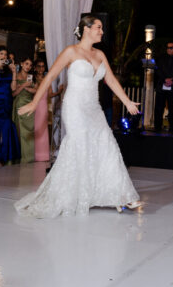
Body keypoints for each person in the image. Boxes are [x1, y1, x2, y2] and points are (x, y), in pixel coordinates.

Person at [15, 15, 142, 218]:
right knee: (80, 146)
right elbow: (50, 77)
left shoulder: (100, 54)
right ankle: (77, 195)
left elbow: (110, 79)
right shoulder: (70, 52)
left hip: (94, 107)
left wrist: (127, 101)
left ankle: (119, 195)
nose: (102, 31)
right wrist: (34, 102)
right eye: (98, 27)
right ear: (86, 29)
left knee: (107, 144)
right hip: (74, 107)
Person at [32, 59, 64, 162]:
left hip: (44, 106)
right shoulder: (32, 78)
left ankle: (44, 154)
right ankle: (35, 154)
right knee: (36, 128)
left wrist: (59, 92)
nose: (41, 68)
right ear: (35, 68)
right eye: (39, 66)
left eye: (43, 66)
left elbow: (50, 94)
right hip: (35, 105)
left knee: (44, 129)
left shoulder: (47, 79)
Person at [154, 40, 173, 132]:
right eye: (167, 47)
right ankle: (157, 127)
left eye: (171, 48)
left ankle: (172, 127)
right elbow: (158, 70)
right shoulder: (161, 58)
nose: (169, 49)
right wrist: (165, 79)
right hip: (162, 86)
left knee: (172, 108)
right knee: (159, 108)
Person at [13, 57, 37, 164]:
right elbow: (13, 93)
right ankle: (22, 157)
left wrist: (27, 88)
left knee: (30, 132)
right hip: (19, 104)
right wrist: (23, 85)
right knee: (20, 132)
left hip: (30, 105)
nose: (28, 66)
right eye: (26, 64)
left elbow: (36, 90)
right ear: (21, 64)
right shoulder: (16, 76)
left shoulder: (30, 77)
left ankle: (30, 158)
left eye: (30, 65)